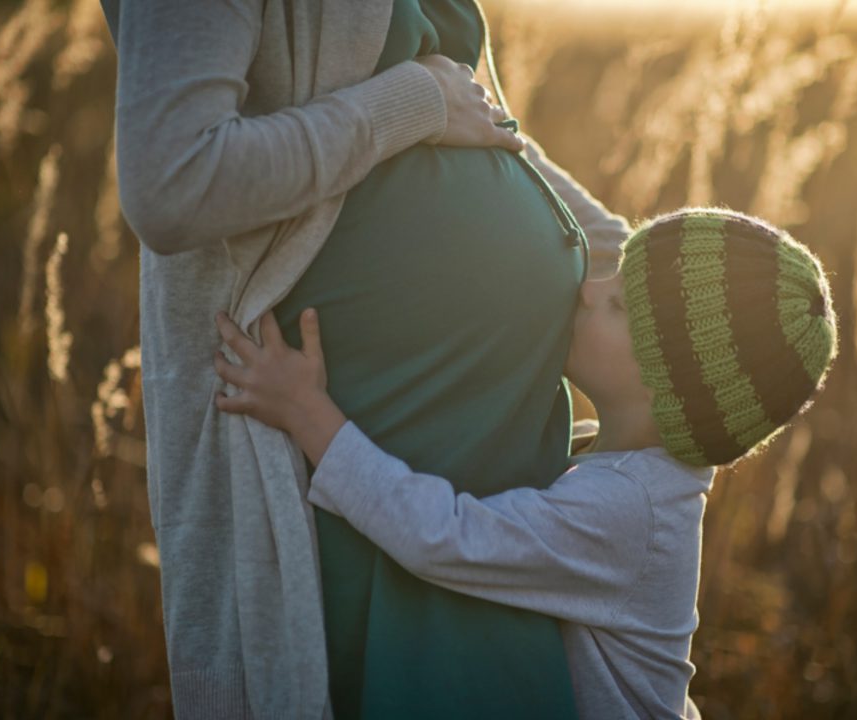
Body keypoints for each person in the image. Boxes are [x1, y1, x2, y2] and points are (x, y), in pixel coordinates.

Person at [100, 0, 630, 717]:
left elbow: (478, 121)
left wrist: (657, 277)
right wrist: (411, 102)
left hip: (480, 486)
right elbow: (174, 182)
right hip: (352, 484)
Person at [213, 208, 839, 719]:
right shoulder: (630, 467)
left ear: (670, 390)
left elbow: (446, 538)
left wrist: (309, 414)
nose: (588, 292)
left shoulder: (628, 512)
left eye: (618, 306)